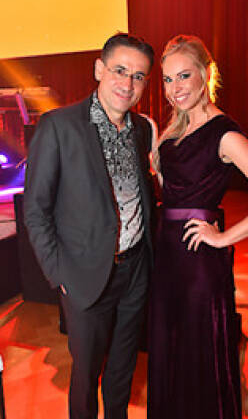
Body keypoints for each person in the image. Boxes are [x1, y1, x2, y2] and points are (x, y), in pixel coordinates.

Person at [147, 35, 248, 418]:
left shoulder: (224, 133)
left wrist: (224, 237)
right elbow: (172, 189)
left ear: (205, 74)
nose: (174, 88)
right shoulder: (171, 130)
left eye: (183, 76)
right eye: (166, 80)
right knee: (171, 345)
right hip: (166, 255)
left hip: (198, 259)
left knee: (199, 349)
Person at [24, 33, 158, 419]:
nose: (128, 84)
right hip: (84, 274)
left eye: (138, 76)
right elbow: (35, 209)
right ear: (99, 69)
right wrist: (58, 272)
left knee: (122, 367)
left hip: (135, 269)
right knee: (86, 374)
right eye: (119, 70)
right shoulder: (59, 127)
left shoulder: (141, 130)